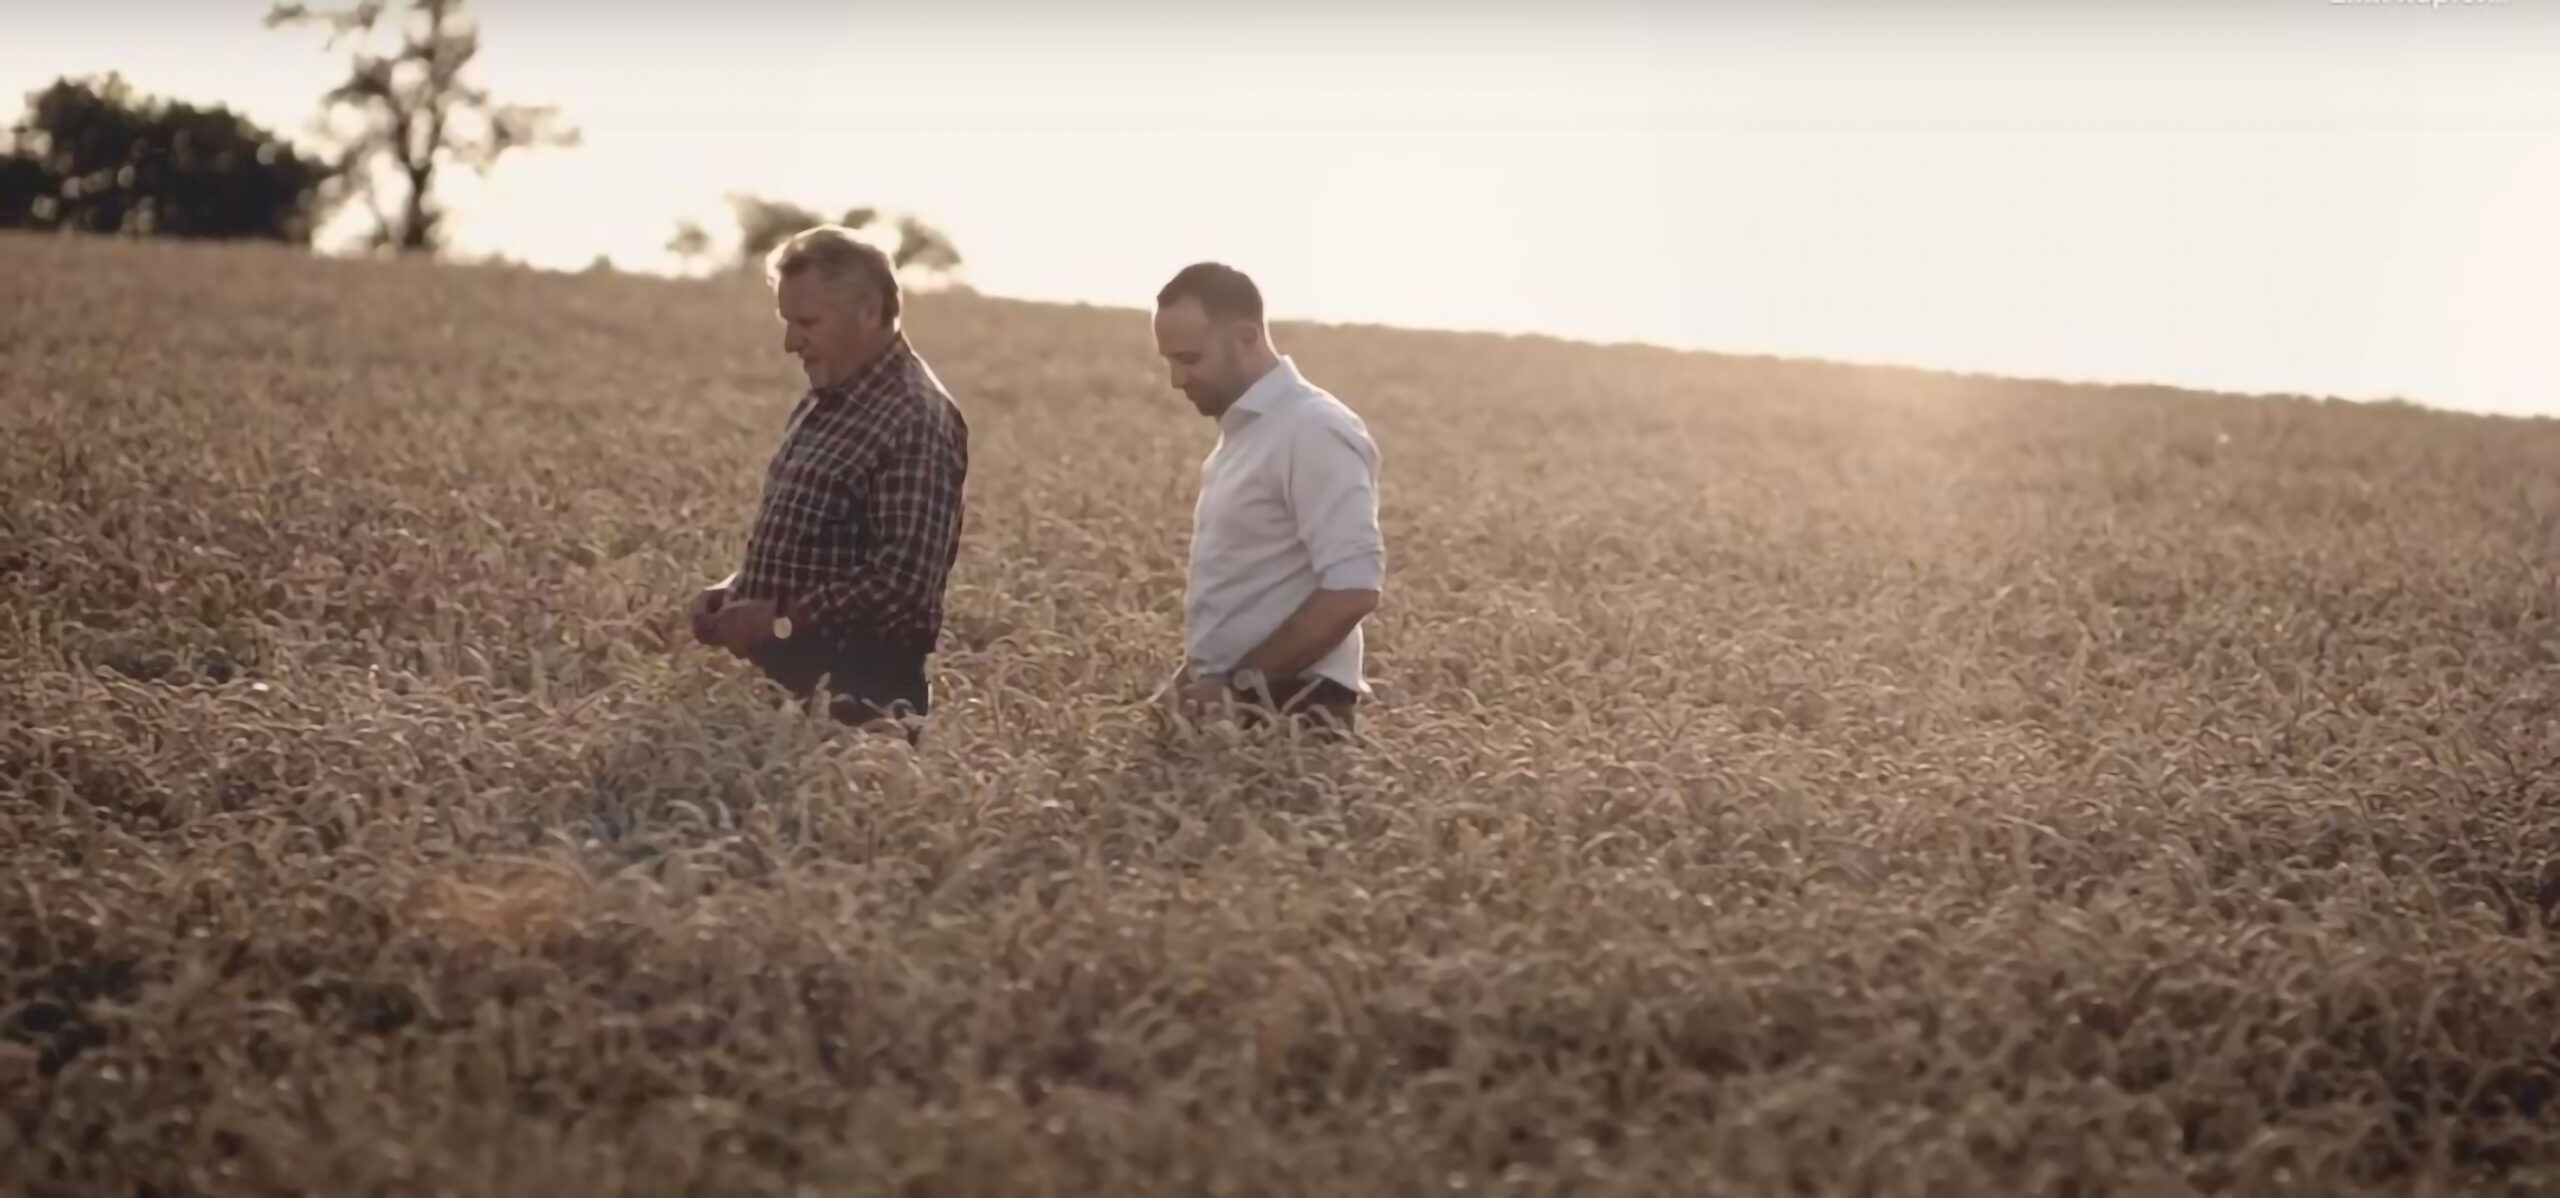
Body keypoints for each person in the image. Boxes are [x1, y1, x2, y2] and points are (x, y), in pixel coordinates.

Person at [688, 226, 969, 744]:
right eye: (786, 322)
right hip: (786, 696)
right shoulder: (828, 396)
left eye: (807, 323)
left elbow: (904, 588)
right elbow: (816, 547)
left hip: (860, 705)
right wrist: (734, 591)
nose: (790, 342)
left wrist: (777, 621)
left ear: (867, 312)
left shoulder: (915, 418)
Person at [1151, 262, 1385, 739]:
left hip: (1296, 710)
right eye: (1169, 361)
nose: (1177, 379)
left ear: (1246, 337)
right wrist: (1194, 677)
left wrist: (1238, 686)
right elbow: (1255, 588)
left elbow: (1353, 589)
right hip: (1239, 708)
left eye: (1190, 359)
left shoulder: (1312, 429)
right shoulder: (1244, 434)